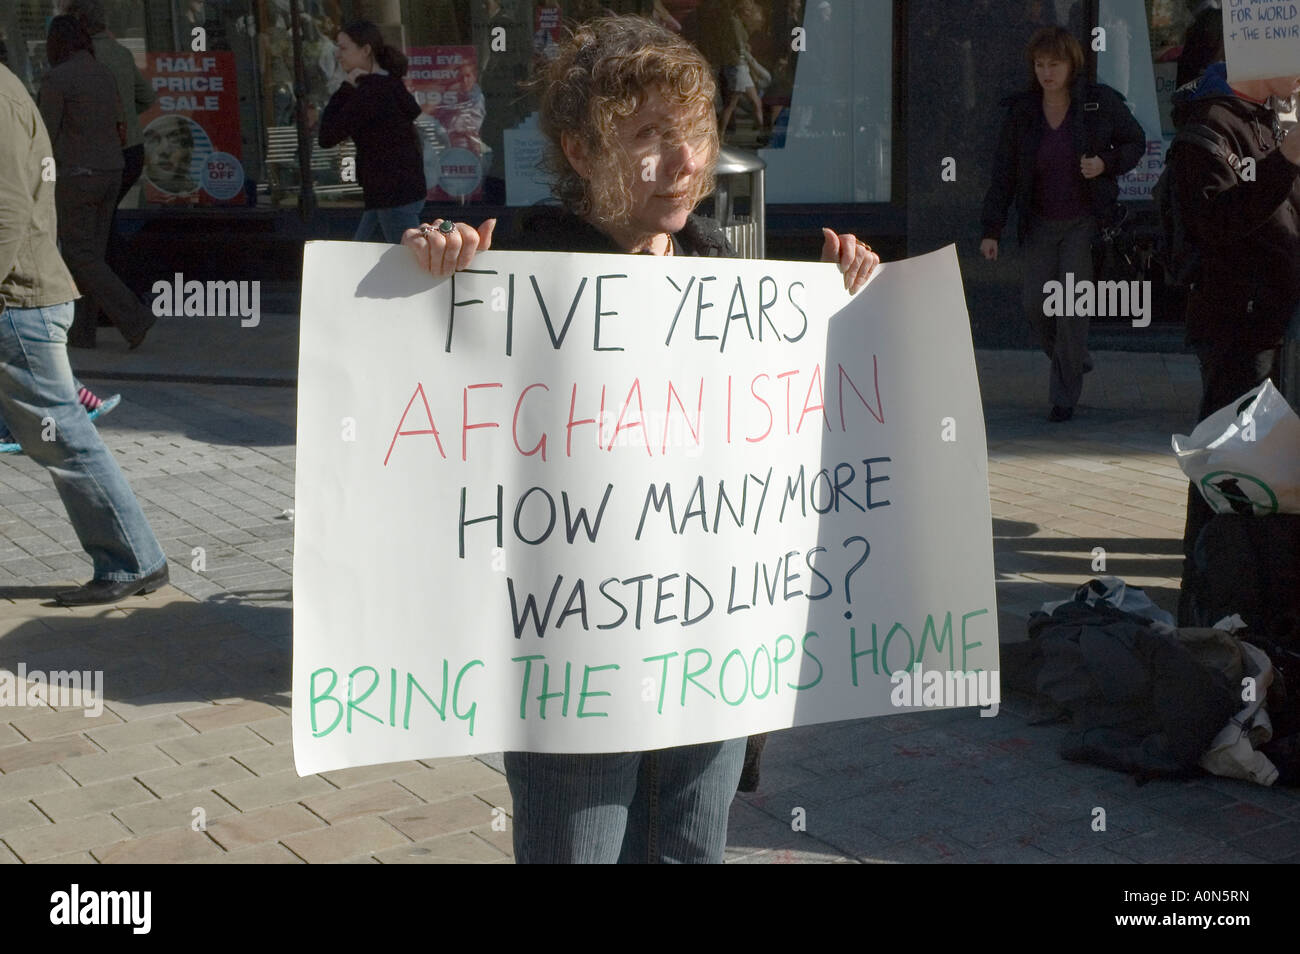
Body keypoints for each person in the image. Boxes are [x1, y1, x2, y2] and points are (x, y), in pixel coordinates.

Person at [402, 14, 877, 864]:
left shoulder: (725, 276)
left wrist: (848, 305)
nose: (687, 160)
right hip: (578, 673)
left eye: (693, 130)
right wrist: (431, 288)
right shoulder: (514, 272)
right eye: (650, 134)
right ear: (581, 151)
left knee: (692, 852)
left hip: (708, 662)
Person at [0, 60, 169, 605]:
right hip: (22, 298)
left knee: (64, 439)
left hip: (19, 301)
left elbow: (6, 212)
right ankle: (132, 560)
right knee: (56, 436)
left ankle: (132, 561)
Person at [1170, 62, 1300, 625]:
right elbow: (1215, 222)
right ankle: (1212, 606)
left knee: (1260, 468)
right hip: (1237, 326)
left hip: (1271, 320)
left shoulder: (1264, 121)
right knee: (1228, 469)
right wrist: (1285, 162)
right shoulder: (1210, 126)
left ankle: (1253, 600)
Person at [980, 27, 1145, 422]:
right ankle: (1072, 358)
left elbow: (1134, 141)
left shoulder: (1097, 104)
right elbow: (1003, 173)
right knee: (1035, 303)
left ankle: (1063, 398)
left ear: (1072, 65)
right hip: (1039, 223)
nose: (1046, 72)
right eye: (1040, 64)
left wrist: (1105, 162)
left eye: (1054, 64)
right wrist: (991, 229)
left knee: (1071, 309)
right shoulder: (1023, 113)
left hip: (1083, 225)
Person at [38, 15, 156, 351]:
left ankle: (134, 318)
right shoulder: (103, 73)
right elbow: (121, 121)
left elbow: (45, 135)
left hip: (76, 176)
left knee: (78, 255)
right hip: (111, 171)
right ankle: (81, 333)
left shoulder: (56, 78)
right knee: (93, 256)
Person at [319, 20, 426, 243]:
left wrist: (346, 87)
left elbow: (327, 136)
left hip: (391, 195)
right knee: (363, 260)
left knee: (410, 264)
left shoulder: (369, 92)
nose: (338, 54)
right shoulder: (390, 83)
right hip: (399, 191)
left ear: (366, 50)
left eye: (344, 47)